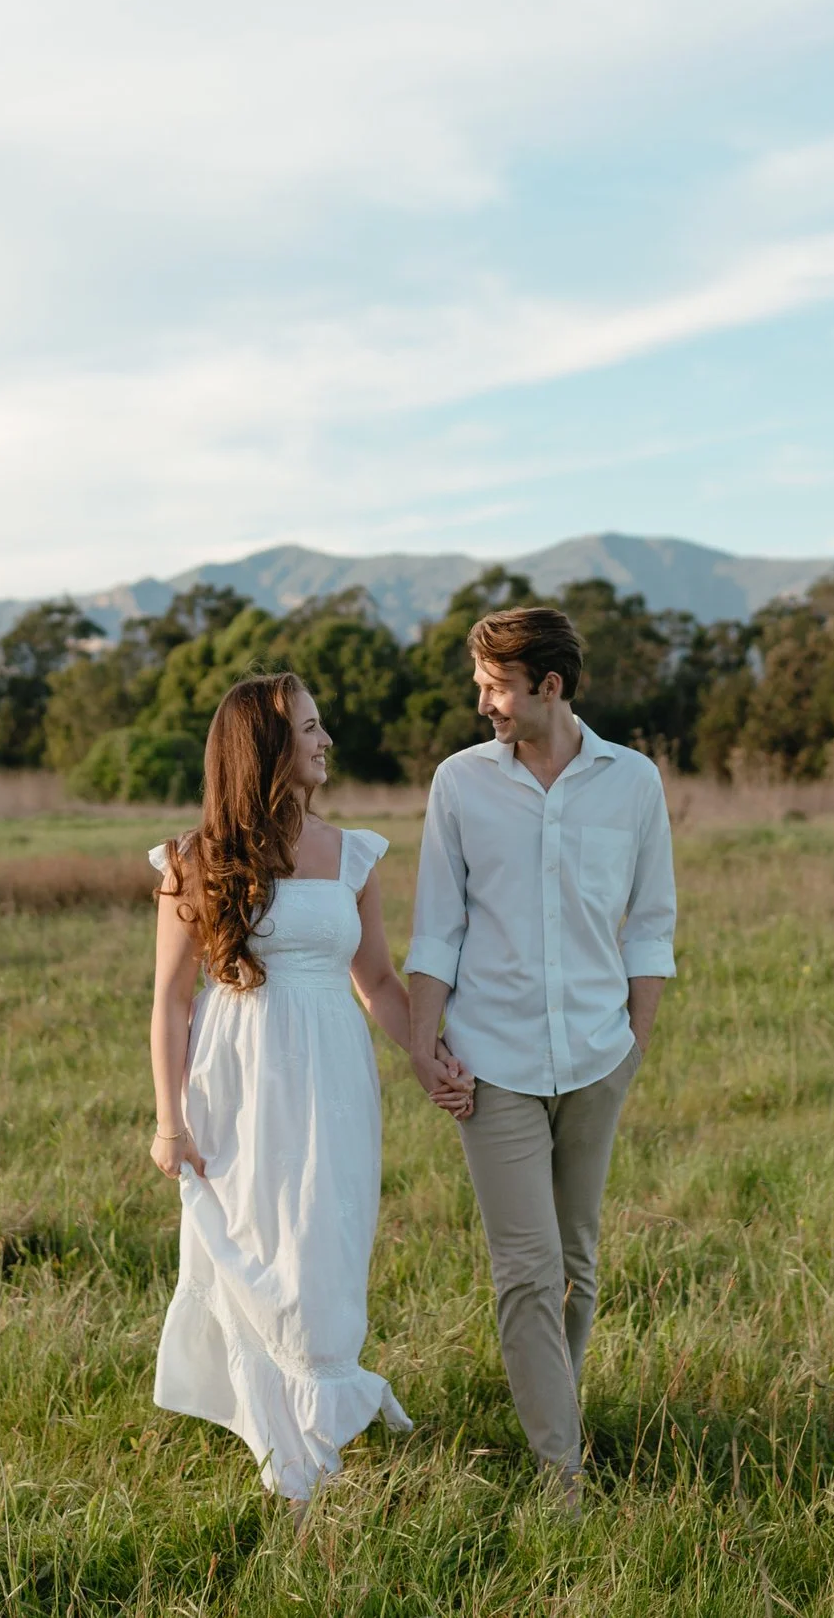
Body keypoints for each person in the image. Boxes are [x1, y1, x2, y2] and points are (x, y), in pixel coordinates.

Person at [403, 606, 677, 1509]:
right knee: (526, 1269)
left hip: (599, 1058)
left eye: (493, 687)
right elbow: (437, 926)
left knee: (576, 1264)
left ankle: (555, 1406)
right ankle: (562, 1473)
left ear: (546, 687)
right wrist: (423, 1043)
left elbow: (652, 924)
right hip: (495, 1064)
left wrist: (632, 1047)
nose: (483, 704)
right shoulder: (459, 784)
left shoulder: (632, 783)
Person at [145, 672, 430, 1507]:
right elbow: (169, 1000)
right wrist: (170, 1120)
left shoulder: (354, 853)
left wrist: (427, 1052)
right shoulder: (194, 861)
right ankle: (285, 1440)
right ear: (267, 750)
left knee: (325, 1242)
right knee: (257, 1241)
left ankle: (319, 1409)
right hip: (237, 1079)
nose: (325, 740)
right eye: (309, 727)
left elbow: (376, 978)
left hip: (335, 1076)